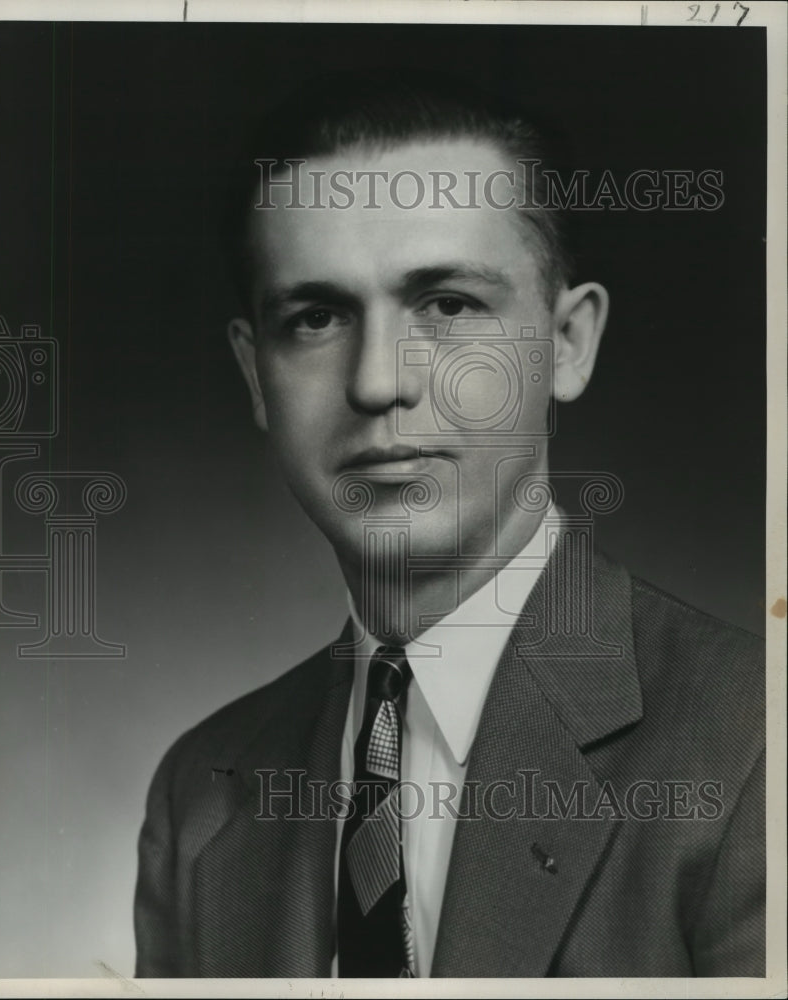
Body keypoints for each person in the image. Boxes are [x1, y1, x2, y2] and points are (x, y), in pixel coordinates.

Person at [133, 71, 765, 978]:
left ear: (567, 343)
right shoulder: (202, 790)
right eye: (314, 317)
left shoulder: (753, 747)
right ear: (253, 373)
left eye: (448, 305)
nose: (378, 381)